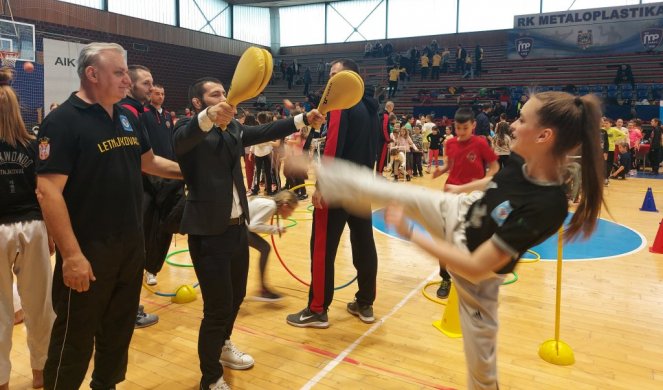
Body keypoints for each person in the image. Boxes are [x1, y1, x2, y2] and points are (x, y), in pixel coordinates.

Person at [311, 90, 605, 390]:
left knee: (482, 374)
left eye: (521, 119)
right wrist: (464, 189)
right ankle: (314, 168)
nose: (513, 125)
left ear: (544, 136)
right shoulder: (520, 159)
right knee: (393, 191)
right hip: (460, 213)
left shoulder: (548, 205)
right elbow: (497, 182)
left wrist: (410, 231)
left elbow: (475, 266)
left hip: (477, 281)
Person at [36, 42, 182, 390]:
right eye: (119, 73)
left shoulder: (127, 116)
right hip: (88, 251)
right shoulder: (62, 122)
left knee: (117, 335)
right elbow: (47, 191)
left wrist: (192, 173)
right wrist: (72, 255)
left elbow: (149, 162)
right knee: (74, 341)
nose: (127, 80)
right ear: (92, 74)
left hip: (130, 248)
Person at [172, 75, 323, 389]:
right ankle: (210, 378)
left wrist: (302, 119)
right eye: (215, 95)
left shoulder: (234, 130)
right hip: (208, 233)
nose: (224, 98)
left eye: (224, 93)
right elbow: (183, 139)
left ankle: (224, 346)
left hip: (237, 230)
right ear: (198, 104)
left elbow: (266, 130)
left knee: (237, 296)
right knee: (216, 308)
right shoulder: (189, 131)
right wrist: (206, 118)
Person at [286, 58, 380, 329]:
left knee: (323, 246)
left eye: (335, 75)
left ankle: (317, 309)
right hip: (362, 185)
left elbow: (334, 147)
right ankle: (365, 303)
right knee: (364, 243)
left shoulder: (342, 103)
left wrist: (322, 187)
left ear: (349, 79)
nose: (330, 81)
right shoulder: (372, 108)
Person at [0, 66, 55, 390]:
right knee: (39, 306)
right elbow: (44, 191)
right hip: (33, 226)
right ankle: (41, 374)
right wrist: (51, 231)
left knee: (1, 310)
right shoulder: (34, 144)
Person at [118, 66, 170, 327]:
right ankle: (128, 310)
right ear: (131, 85)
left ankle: (129, 307)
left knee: (141, 247)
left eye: (153, 84)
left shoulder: (135, 112)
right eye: (147, 84)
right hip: (138, 192)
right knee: (132, 253)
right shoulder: (127, 113)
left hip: (148, 188)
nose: (151, 89)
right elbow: (142, 162)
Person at [433, 108, 499, 298]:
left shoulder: (480, 143)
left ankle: (471, 277)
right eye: (458, 128)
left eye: (465, 128)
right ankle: (445, 278)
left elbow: (495, 167)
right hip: (451, 194)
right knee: (445, 238)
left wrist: (481, 185)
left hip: (474, 197)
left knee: (472, 238)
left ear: (473, 126)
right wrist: (441, 170)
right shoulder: (450, 143)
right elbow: (449, 164)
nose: (461, 132)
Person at [247, 191, 299, 301]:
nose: (291, 214)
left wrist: (278, 227)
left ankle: (263, 289)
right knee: (265, 248)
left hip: (241, 225)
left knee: (265, 248)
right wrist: (275, 229)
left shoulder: (272, 204)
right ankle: (263, 290)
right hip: (240, 228)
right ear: (285, 206)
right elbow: (253, 226)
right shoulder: (270, 207)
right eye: (292, 210)